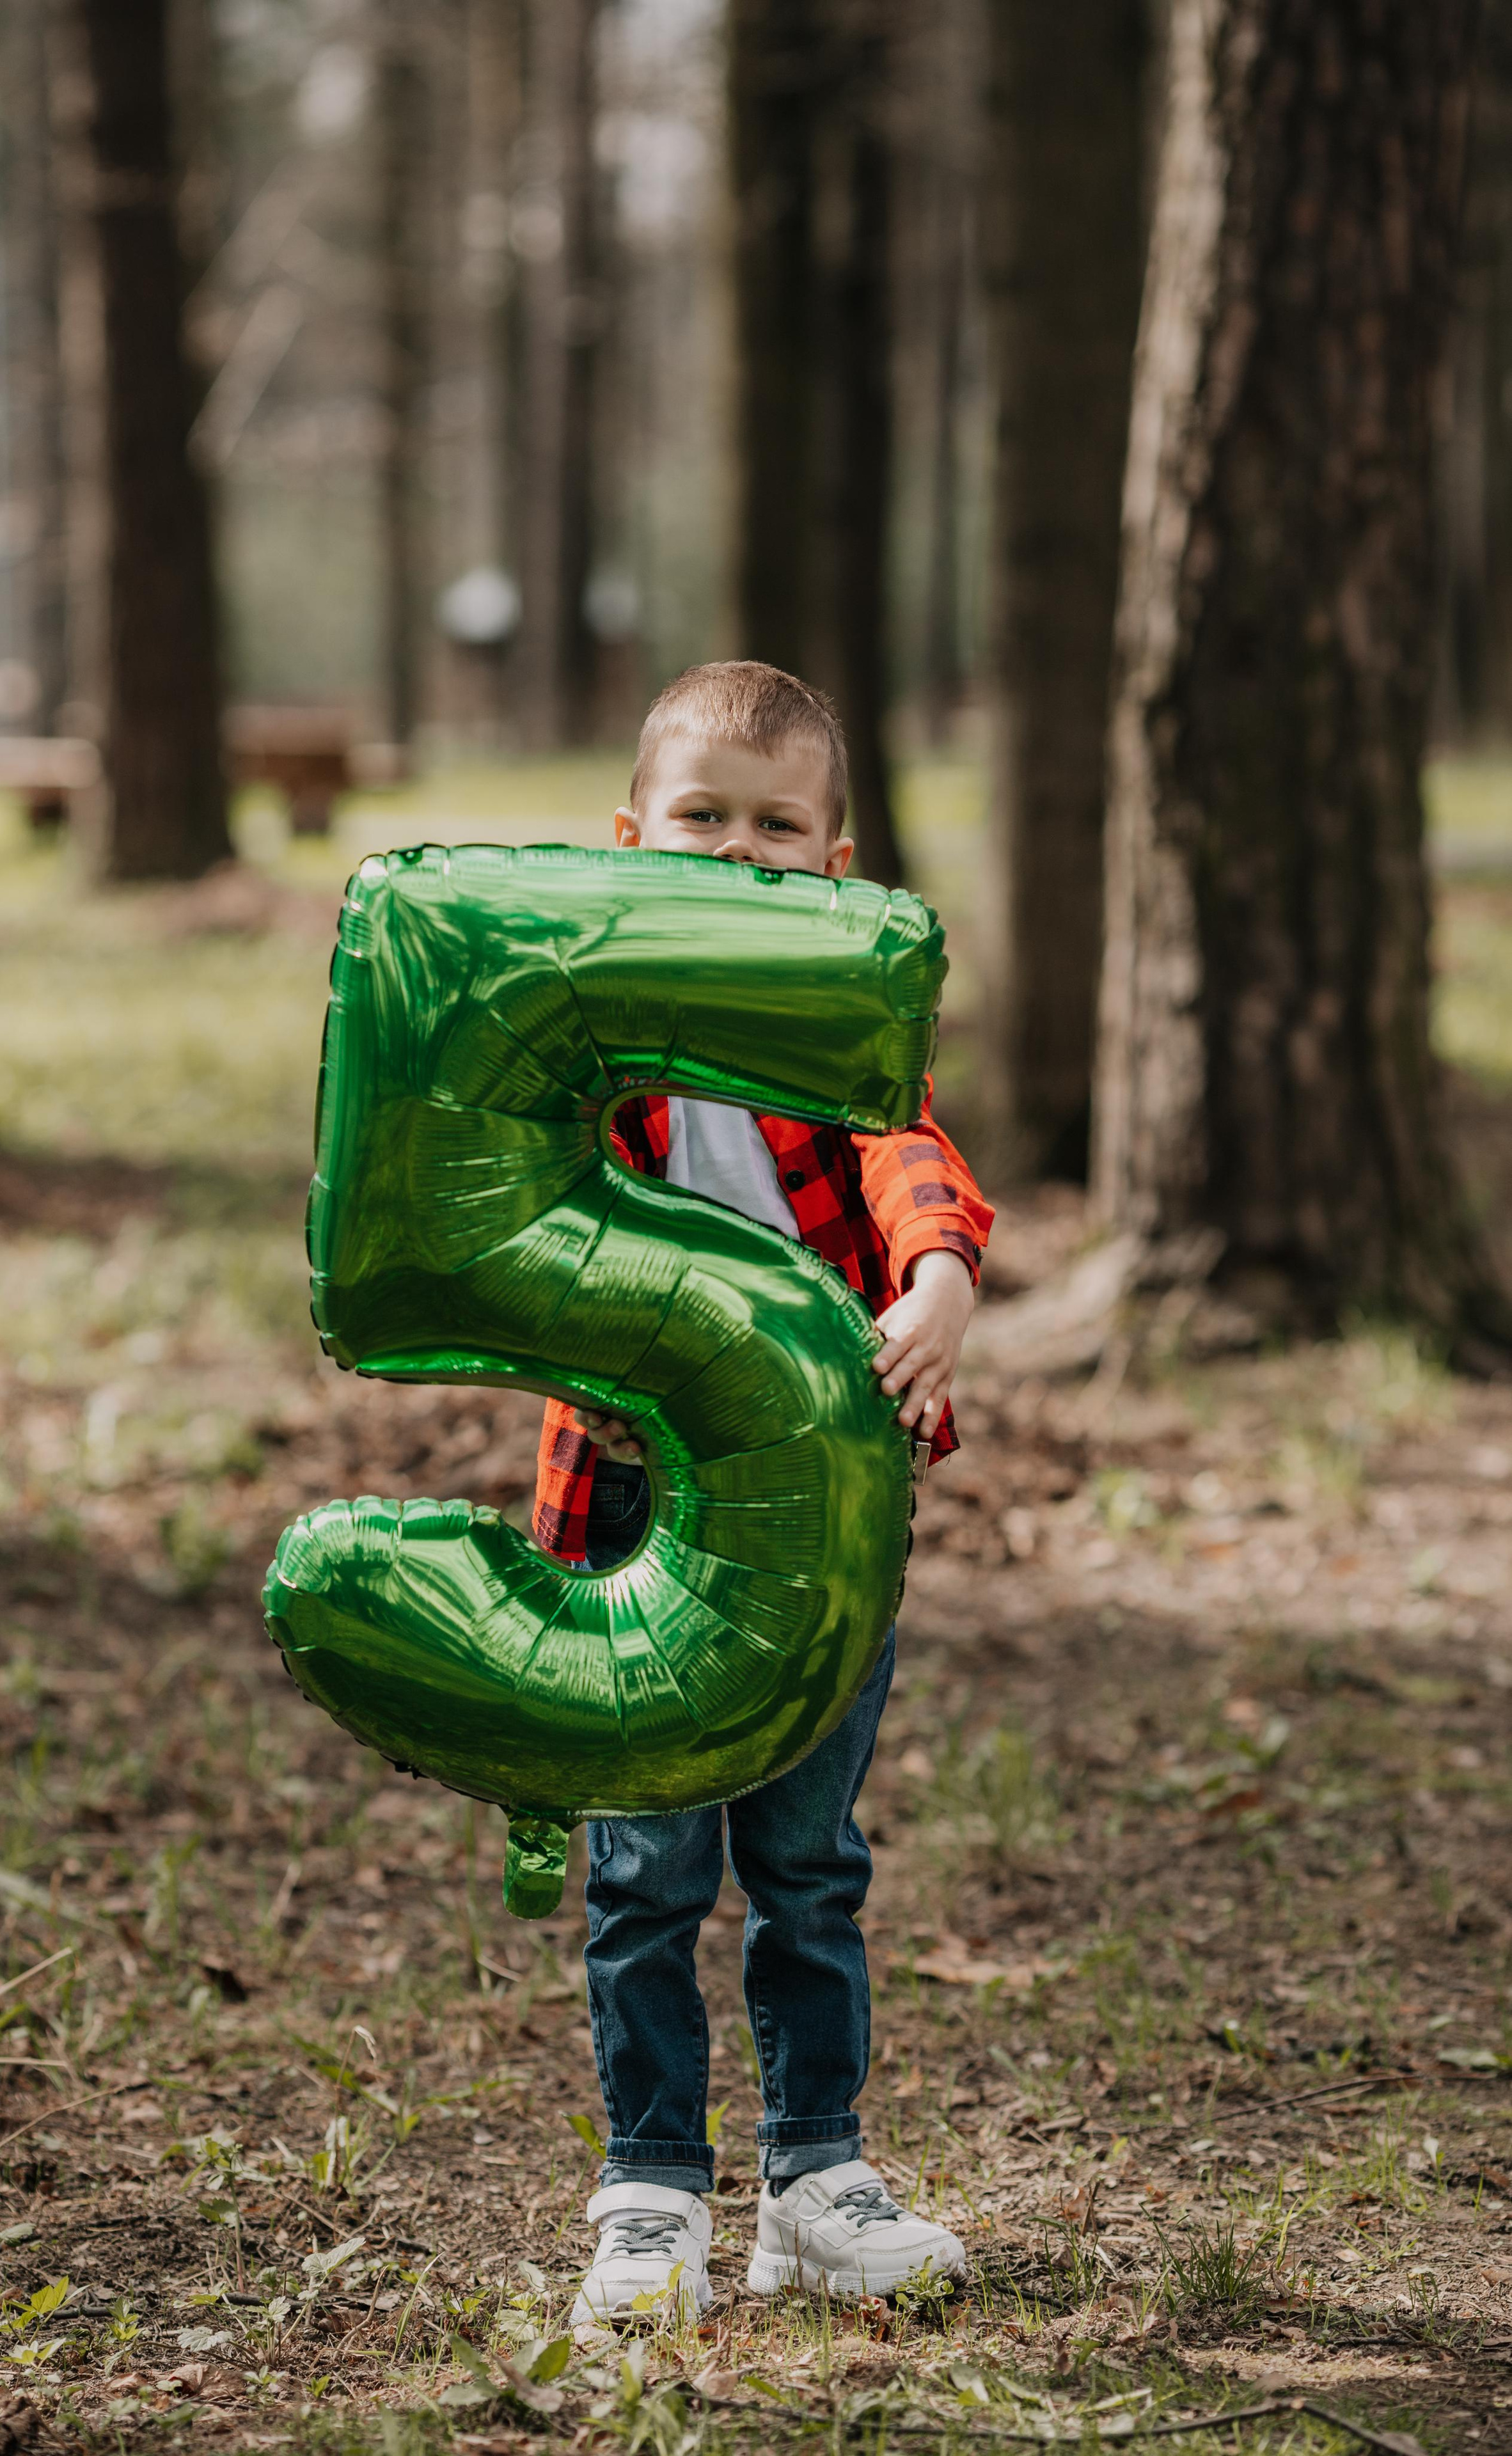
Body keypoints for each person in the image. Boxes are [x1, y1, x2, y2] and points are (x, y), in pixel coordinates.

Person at [535, 661, 993, 2326]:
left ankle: (817, 2179)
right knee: (646, 1872)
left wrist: (940, 1271)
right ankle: (652, 2192)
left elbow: (904, 1150)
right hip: (634, 1506)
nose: (739, 851)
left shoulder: (835, 1019)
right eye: (703, 818)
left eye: (778, 827)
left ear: (836, 859)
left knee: (809, 1863)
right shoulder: (585, 1026)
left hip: (820, 1518)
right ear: (630, 836)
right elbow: (533, 1219)